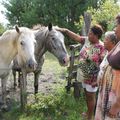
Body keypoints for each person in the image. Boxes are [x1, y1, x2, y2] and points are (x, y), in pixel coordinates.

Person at [56, 24, 106, 120]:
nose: (88, 35)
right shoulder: (87, 41)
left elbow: (103, 66)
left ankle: (90, 117)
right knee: (87, 96)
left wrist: (98, 79)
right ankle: (88, 112)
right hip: (83, 75)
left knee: (91, 97)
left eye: (90, 34)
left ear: (96, 36)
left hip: (93, 78)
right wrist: (65, 30)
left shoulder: (102, 47)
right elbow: (76, 37)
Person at [95, 13, 120, 120]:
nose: (115, 28)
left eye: (117, 25)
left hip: (115, 100)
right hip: (106, 94)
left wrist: (116, 105)